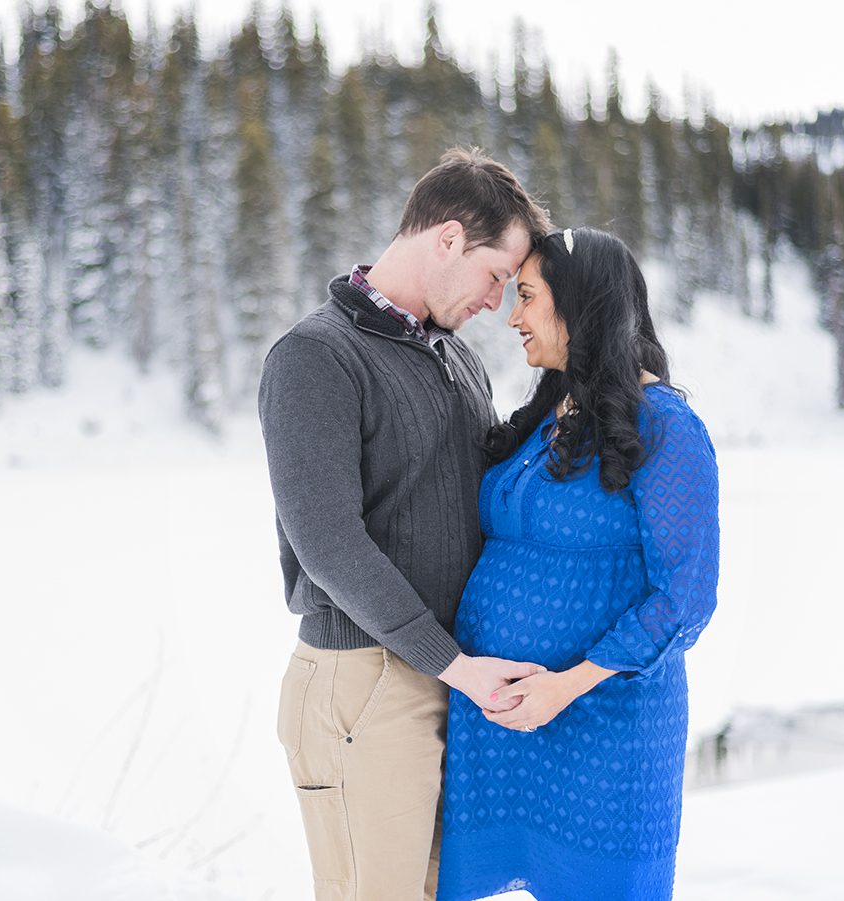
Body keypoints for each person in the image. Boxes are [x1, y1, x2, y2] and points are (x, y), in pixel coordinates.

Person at [257, 147, 552, 900]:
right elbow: (327, 542)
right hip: (365, 682)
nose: (496, 301)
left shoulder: (455, 359)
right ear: (447, 238)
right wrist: (451, 663)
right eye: (496, 275)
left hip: (441, 677)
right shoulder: (315, 357)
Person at [436, 227, 721, 901]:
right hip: (499, 732)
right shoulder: (550, 410)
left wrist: (565, 685)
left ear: (580, 303)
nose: (513, 315)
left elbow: (685, 597)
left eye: (528, 295)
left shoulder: (667, 427)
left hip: (601, 733)